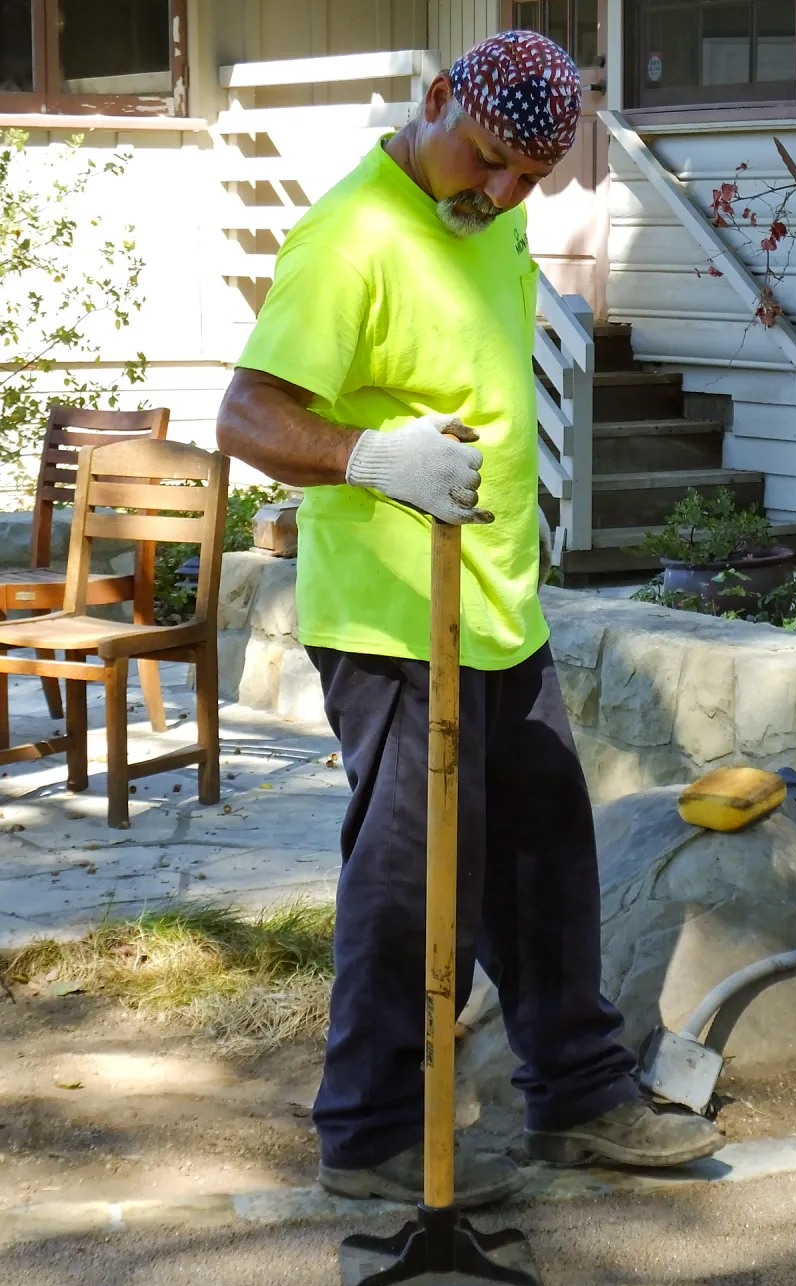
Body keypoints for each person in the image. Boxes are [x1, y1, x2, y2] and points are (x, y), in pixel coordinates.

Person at [216, 29, 722, 1206]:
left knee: (546, 859)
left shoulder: (480, 215)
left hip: (496, 608)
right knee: (412, 877)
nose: (499, 195)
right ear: (436, 98)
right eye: (487, 159)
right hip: (396, 624)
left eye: (528, 180)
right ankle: (373, 1130)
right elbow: (246, 413)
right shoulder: (353, 237)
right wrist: (365, 452)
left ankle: (580, 1095)